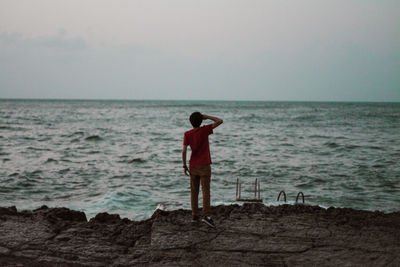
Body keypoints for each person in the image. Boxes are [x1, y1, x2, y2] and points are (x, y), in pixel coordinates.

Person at [182, 112, 223, 228]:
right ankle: (207, 216)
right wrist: (208, 117)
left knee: (194, 192)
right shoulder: (205, 130)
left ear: (191, 122)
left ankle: (195, 216)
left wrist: (184, 165)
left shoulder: (187, 134)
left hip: (193, 166)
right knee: (206, 192)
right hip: (204, 165)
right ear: (201, 121)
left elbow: (184, 151)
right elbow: (220, 121)